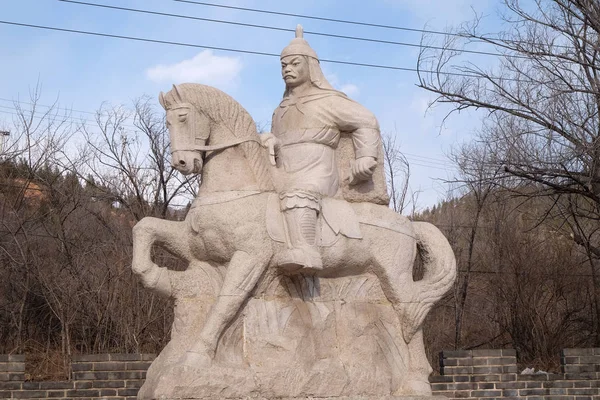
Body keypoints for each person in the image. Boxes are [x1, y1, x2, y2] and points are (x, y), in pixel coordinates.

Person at [262, 25, 382, 271]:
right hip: (284, 170)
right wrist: (270, 141)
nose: (287, 69)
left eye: (294, 63)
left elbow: (367, 120)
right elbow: (278, 140)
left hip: (318, 173)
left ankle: (307, 251)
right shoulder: (280, 109)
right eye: (284, 65)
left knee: (298, 192)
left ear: (311, 66)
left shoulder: (328, 101)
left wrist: (365, 156)